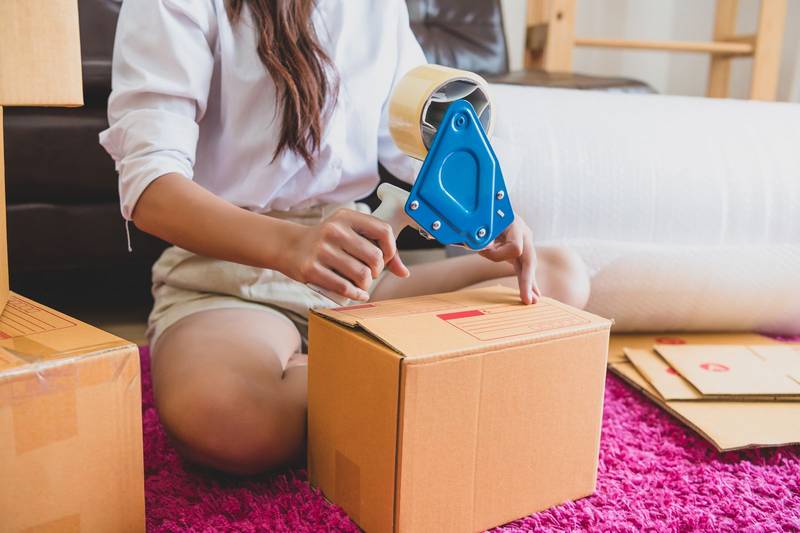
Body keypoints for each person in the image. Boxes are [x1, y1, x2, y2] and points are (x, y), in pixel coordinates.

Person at [100, 0, 590, 475]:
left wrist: (482, 211)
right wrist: (292, 246)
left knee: (559, 276)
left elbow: (416, 143)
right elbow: (151, 190)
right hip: (229, 276)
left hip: (360, 270)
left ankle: (358, 371)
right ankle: (435, 374)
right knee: (227, 416)